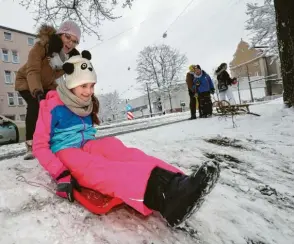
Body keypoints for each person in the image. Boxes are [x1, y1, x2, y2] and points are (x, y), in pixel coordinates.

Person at [32, 51, 221, 227]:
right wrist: (60, 173)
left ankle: (179, 183)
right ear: (70, 83)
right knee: (100, 168)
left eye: (92, 86)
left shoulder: (84, 103)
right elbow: (39, 146)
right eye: (84, 86)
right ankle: (163, 198)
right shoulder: (51, 106)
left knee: (120, 150)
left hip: (87, 144)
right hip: (65, 151)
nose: (89, 91)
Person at [15, 20, 81, 160]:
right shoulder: (42, 46)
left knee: (56, 105)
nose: (70, 43)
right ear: (59, 34)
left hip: (45, 84)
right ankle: (31, 144)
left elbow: (51, 74)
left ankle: (55, 139)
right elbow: (33, 71)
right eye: (67, 37)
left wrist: (64, 70)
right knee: (35, 105)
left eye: (74, 41)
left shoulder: (64, 57)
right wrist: (37, 91)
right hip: (26, 81)